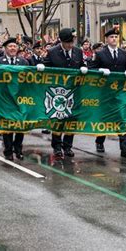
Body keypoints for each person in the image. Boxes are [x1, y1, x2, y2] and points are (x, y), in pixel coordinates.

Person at [89, 28, 126, 157]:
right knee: (104, 117)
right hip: (105, 91)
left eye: (116, 37)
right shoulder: (100, 54)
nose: (114, 39)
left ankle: (124, 147)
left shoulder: (124, 54)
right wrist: (101, 70)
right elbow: (92, 68)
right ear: (107, 39)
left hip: (120, 90)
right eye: (111, 37)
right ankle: (100, 141)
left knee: (121, 117)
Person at [42, 28, 85, 158]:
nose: (70, 45)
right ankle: (57, 146)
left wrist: (84, 68)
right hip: (57, 92)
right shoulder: (52, 52)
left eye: (72, 42)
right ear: (62, 41)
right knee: (58, 119)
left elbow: (81, 65)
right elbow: (46, 68)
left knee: (71, 119)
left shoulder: (78, 52)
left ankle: (68, 146)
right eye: (67, 43)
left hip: (73, 91)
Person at [0, 38, 29, 161]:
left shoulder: (24, 62)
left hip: (21, 98)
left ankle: (18, 149)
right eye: (10, 46)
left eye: (15, 46)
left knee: (20, 124)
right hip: (5, 98)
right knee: (7, 125)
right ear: (5, 48)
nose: (13, 48)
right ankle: (8, 150)